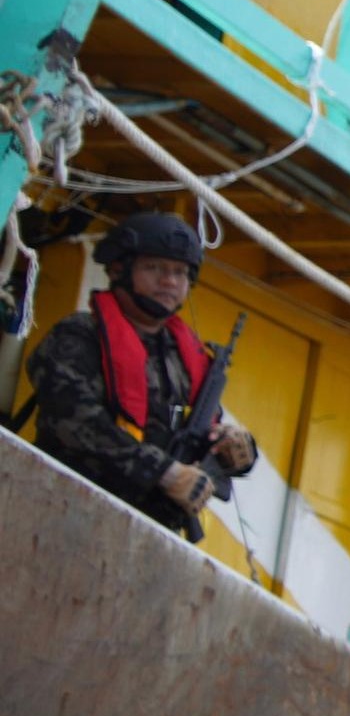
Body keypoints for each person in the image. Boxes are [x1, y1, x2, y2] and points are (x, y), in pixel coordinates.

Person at [26, 210, 258, 541]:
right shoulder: (80, 335)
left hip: (147, 535)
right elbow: (73, 419)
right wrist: (163, 472)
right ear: (119, 269)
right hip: (62, 513)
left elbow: (199, 439)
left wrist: (236, 451)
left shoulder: (184, 357)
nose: (170, 281)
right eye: (154, 268)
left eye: (180, 272)